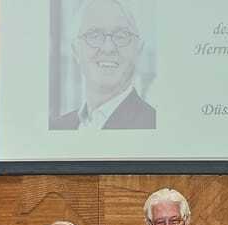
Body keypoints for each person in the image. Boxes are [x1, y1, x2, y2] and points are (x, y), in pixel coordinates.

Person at [50, 0, 156, 130]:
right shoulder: (57, 127)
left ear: (138, 50)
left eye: (121, 36)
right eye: (94, 35)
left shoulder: (152, 124)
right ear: (75, 51)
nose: (108, 48)